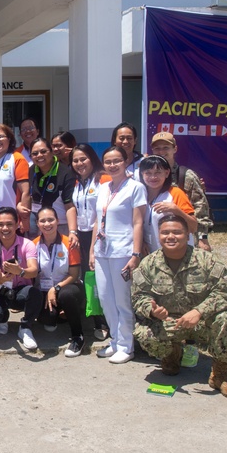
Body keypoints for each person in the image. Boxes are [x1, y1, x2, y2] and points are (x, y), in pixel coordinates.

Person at [132, 214, 227, 399]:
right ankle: (172, 355)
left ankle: (220, 374)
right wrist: (152, 310)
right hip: (170, 323)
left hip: (202, 323)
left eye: (177, 232)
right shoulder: (149, 264)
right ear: (159, 235)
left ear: (187, 235)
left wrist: (200, 311)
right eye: (165, 232)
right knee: (144, 333)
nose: (170, 236)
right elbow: (138, 297)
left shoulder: (205, 260)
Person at [89, 145, 146, 365]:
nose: (112, 165)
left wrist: (135, 253)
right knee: (105, 298)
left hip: (123, 251)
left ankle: (126, 346)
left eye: (117, 161)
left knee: (122, 300)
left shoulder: (135, 188)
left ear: (125, 162)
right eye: (108, 162)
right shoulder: (104, 187)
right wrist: (93, 250)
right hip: (103, 251)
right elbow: (97, 220)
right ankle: (114, 341)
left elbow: (138, 222)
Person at [0, 206, 40, 351]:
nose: (5, 228)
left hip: (20, 289)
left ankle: (25, 327)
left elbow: (33, 271)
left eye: (9, 224)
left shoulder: (27, 244)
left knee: (35, 294)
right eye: (0, 224)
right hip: (0, 289)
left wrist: (20, 271)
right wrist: (1, 279)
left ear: (17, 225)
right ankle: (2, 318)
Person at [70, 143, 111, 341]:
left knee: (99, 279)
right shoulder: (77, 182)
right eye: (75, 160)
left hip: (101, 236)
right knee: (88, 278)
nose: (79, 163)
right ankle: (95, 316)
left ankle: (103, 322)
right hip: (81, 235)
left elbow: (102, 214)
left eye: (83, 159)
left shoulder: (103, 179)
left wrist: (95, 245)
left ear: (92, 158)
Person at [33, 206, 84, 358]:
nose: (47, 224)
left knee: (66, 296)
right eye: (43, 221)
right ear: (37, 224)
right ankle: (62, 315)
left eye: (51, 220)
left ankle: (78, 337)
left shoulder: (69, 243)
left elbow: (74, 275)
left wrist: (55, 288)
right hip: (44, 289)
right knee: (47, 320)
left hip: (68, 286)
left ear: (57, 221)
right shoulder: (33, 244)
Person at [149, 132, 214, 251]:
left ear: (175, 149)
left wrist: (202, 238)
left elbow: (201, 209)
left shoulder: (186, 176)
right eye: (157, 148)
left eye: (166, 148)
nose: (161, 151)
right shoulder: (148, 176)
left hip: (183, 237)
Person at [139, 155, 197, 255]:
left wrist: (176, 210)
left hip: (178, 254)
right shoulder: (140, 195)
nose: (153, 177)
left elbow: (193, 227)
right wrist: (142, 242)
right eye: (148, 173)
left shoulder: (176, 193)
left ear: (166, 173)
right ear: (142, 174)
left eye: (158, 172)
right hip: (151, 255)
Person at [27, 136, 77, 241]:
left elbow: (69, 205)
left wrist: (72, 231)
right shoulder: (31, 170)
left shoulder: (65, 173)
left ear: (51, 152)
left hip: (60, 225)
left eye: (43, 151)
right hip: (37, 225)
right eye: (35, 153)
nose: (39, 155)